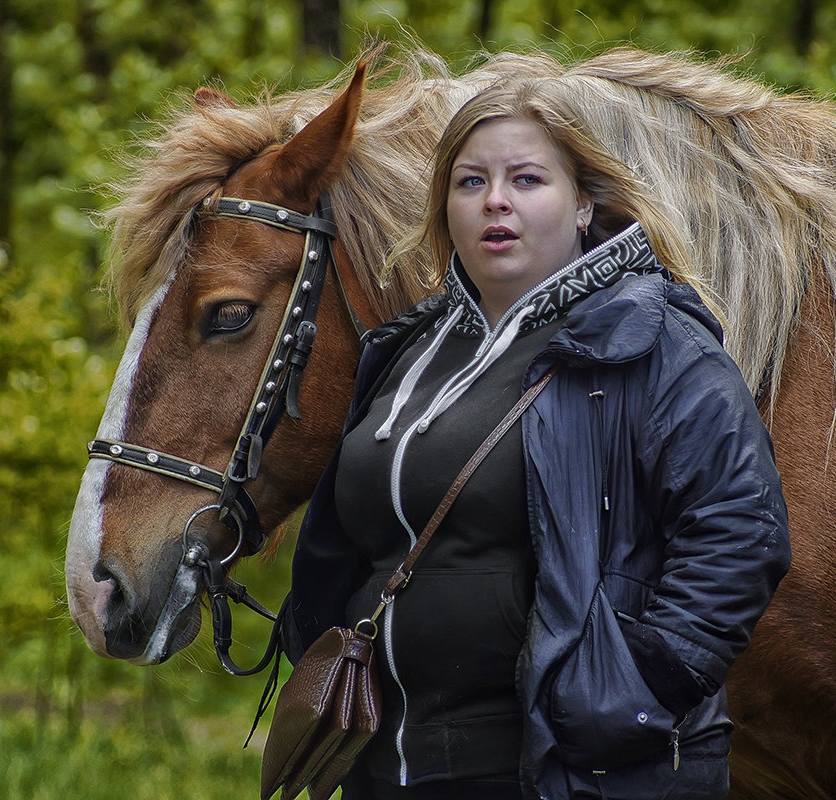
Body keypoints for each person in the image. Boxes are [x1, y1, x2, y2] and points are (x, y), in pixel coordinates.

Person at [279, 77, 791, 800]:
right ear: (445, 208)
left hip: (566, 771)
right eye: (470, 181)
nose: (496, 200)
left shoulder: (658, 344)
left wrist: (631, 692)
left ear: (584, 204)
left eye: (526, 180)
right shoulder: (405, 352)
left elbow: (742, 533)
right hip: (390, 768)